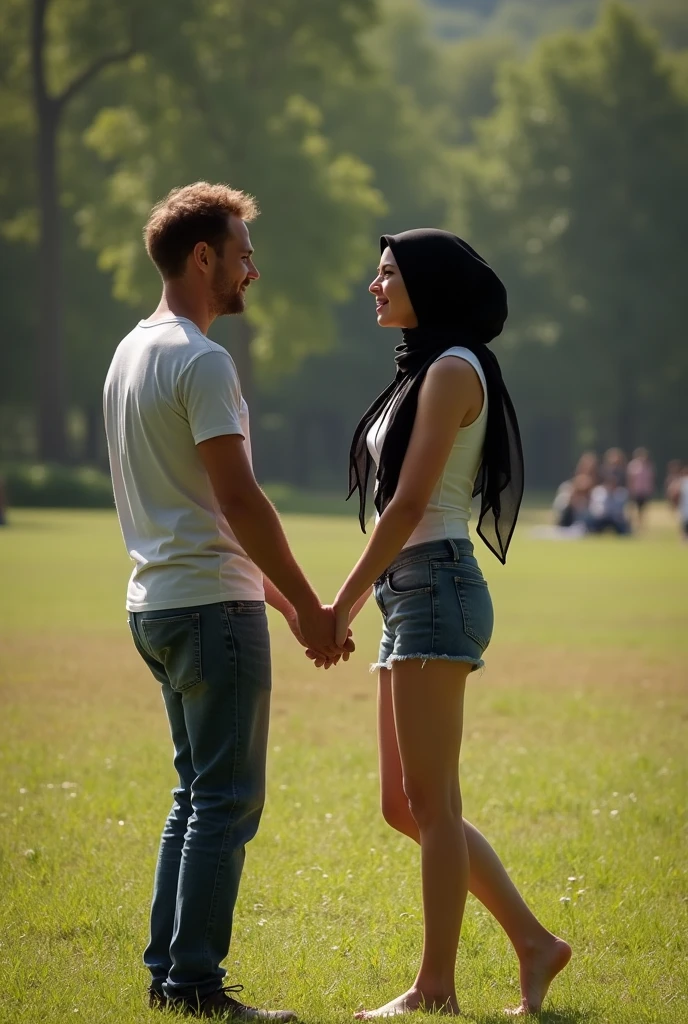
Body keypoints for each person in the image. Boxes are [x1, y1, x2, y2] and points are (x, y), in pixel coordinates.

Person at [103, 182, 352, 1019]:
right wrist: (311, 606)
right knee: (224, 800)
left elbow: (194, 503)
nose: (254, 268)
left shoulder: (130, 351)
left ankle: (170, 974)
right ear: (202, 256)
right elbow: (238, 501)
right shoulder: (202, 360)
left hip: (158, 602)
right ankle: (196, 985)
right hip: (211, 607)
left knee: (195, 795)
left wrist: (283, 605)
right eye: (243, 253)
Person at [313, 229, 571, 1017]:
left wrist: (339, 604)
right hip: (410, 591)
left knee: (432, 803)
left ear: (429, 283)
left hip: (434, 586)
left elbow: (412, 504)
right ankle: (535, 942)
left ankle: (435, 988)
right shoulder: (424, 369)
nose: (374, 285)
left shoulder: (455, 370)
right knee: (408, 804)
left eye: (388, 273)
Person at [626, 447, 655, 528]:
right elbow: (630, 479)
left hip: (644, 491)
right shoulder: (633, 465)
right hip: (635, 491)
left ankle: (640, 524)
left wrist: (650, 489)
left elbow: (650, 479)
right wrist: (631, 490)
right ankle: (631, 524)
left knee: (642, 509)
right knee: (632, 508)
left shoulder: (648, 466)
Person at [677, 465, 688, 543]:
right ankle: (683, 538)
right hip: (684, 506)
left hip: (684, 506)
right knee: (684, 523)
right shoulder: (682, 482)